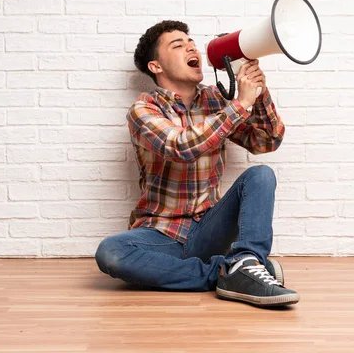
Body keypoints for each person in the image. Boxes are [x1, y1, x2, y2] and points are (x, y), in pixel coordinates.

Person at [94, 20, 299, 307]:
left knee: (261, 175)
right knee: (111, 252)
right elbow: (180, 146)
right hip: (161, 234)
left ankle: (245, 260)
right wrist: (239, 106)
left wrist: (259, 93)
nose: (191, 47)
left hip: (209, 230)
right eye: (177, 45)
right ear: (156, 67)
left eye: (190, 43)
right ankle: (232, 271)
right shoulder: (143, 110)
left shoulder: (218, 101)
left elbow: (266, 142)